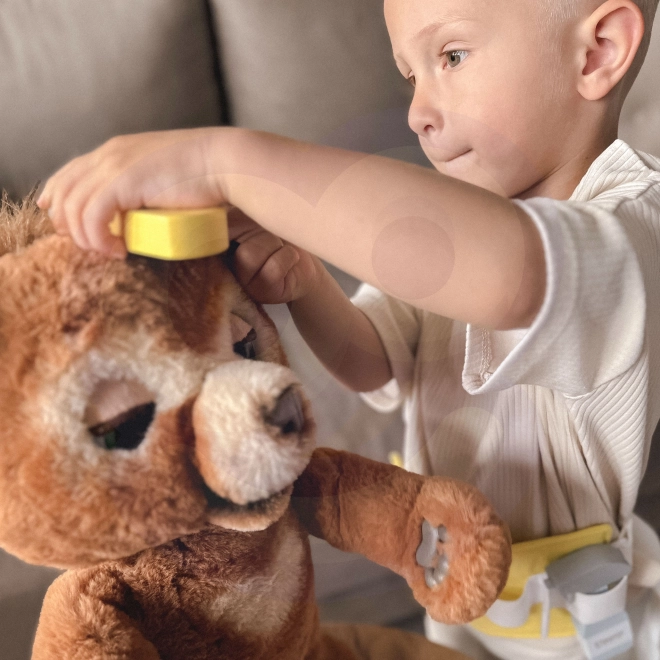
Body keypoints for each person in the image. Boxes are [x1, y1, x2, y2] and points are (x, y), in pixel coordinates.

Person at [36, 0, 660, 657]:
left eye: (450, 56)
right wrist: (307, 283)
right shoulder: (467, 219)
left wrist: (225, 158)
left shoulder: (631, 226)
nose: (419, 110)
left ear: (597, 53)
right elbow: (375, 361)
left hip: (583, 629)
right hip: (458, 600)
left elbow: (510, 276)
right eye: (410, 76)